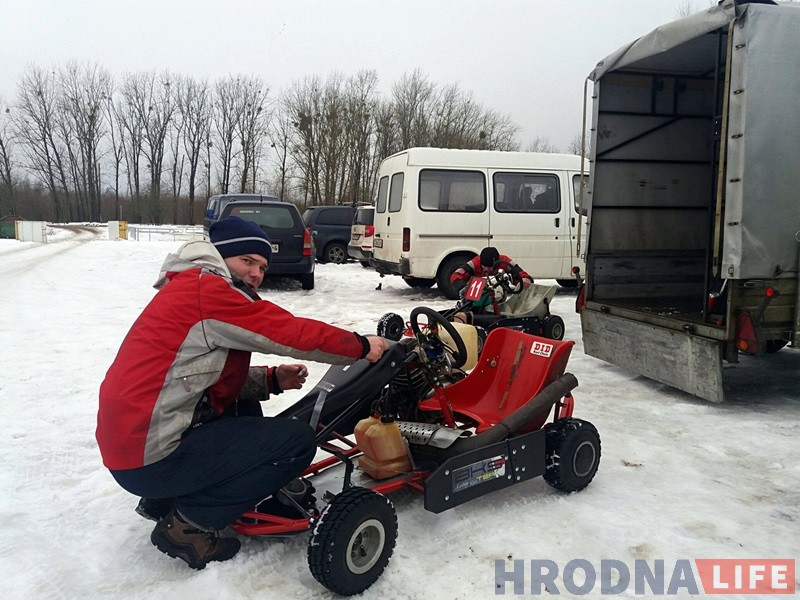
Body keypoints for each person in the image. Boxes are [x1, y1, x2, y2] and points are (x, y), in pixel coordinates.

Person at [96, 215, 389, 570]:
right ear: (220, 257)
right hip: (149, 458)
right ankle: (188, 525)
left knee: (244, 404)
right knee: (297, 442)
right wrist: (359, 346)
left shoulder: (188, 287)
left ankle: (171, 497)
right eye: (247, 261)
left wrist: (270, 381)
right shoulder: (210, 291)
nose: (256, 273)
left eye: (263, 266)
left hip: (135, 447)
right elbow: (289, 333)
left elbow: (197, 375)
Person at [449, 247, 533, 322]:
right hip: (477, 300)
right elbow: (456, 276)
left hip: (499, 301)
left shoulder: (505, 261)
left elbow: (519, 273)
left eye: (490, 267)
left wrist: (525, 279)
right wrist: (463, 288)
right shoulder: (474, 263)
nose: (488, 270)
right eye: (485, 267)